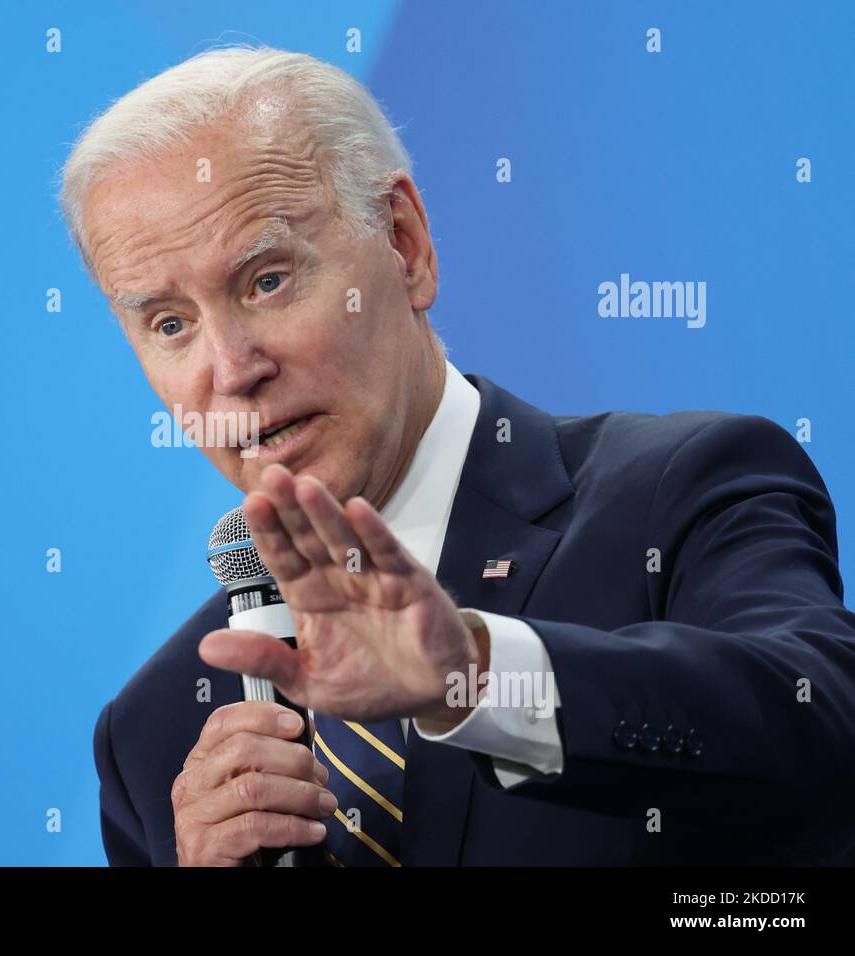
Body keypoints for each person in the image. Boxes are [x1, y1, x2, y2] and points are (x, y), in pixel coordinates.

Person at [59, 45, 855, 866]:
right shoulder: (153, 735)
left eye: (267, 280)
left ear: (404, 245)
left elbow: (825, 725)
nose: (232, 370)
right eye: (169, 323)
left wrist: (476, 677)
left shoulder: (681, 489)